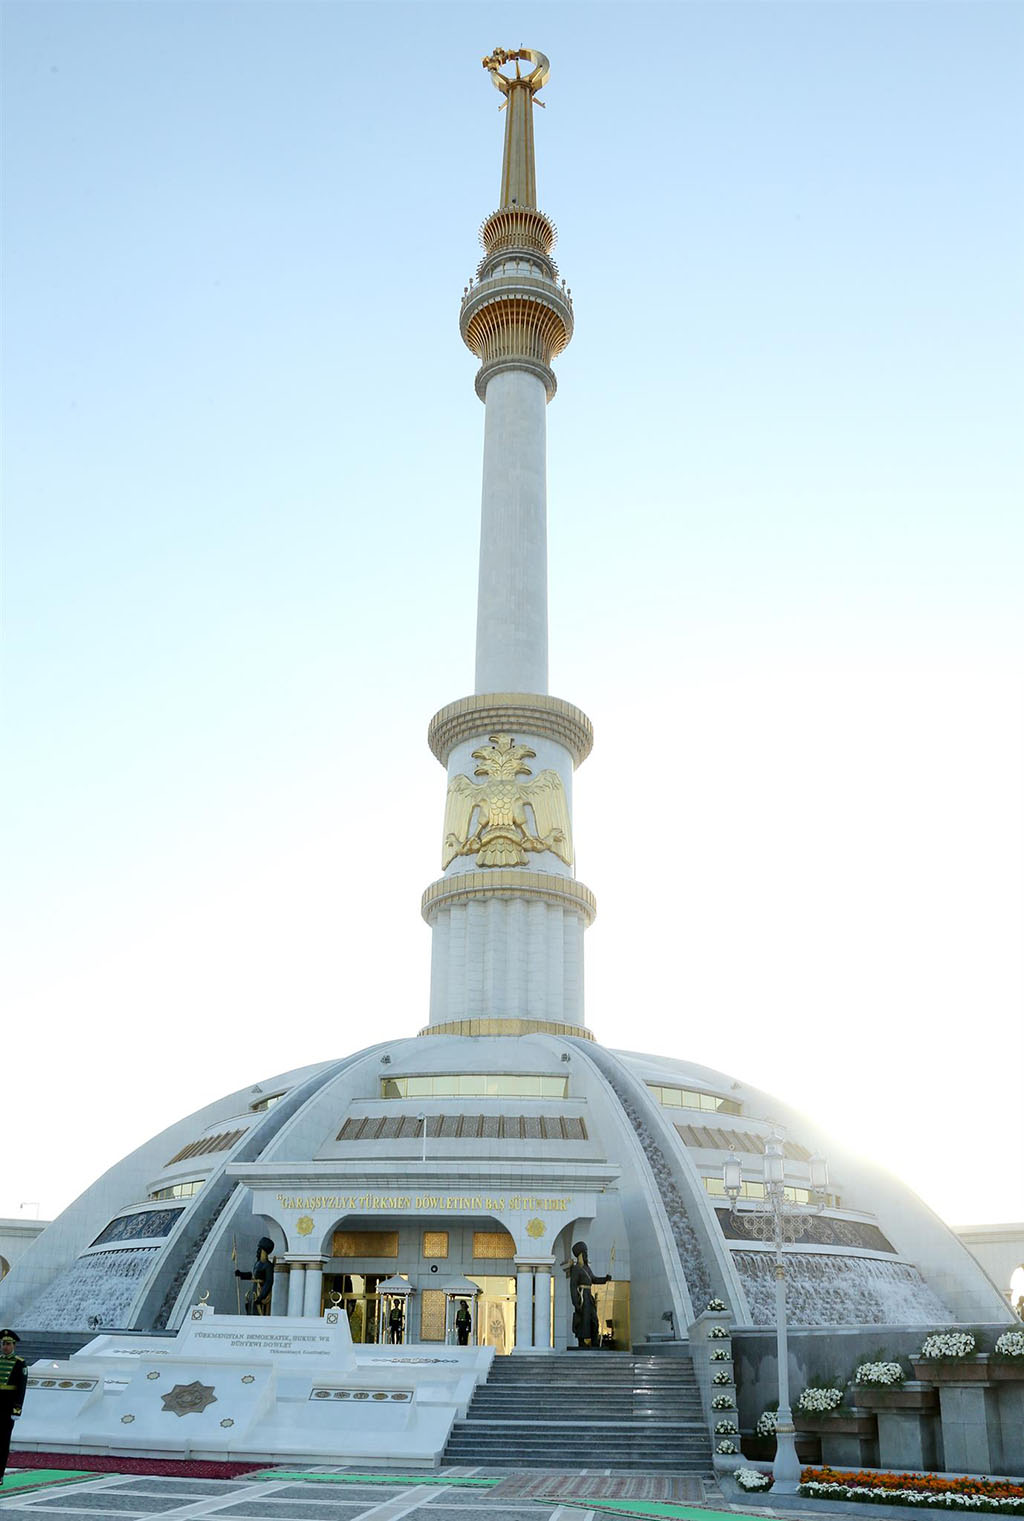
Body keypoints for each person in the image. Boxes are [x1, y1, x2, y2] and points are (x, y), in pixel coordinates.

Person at [569, 1241, 611, 1348]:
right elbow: (573, 1287)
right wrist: (575, 1303)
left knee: (594, 1319)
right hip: (582, 1298)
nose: (586, 1255)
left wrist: (605, 1279)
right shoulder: (576, 1269)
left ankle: (594, 1340)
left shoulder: (587, 1268)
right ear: (580, 1255)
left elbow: (594, 1279)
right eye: (585, 1253)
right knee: (582, 1320)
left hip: (589, 1297)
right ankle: (581, 1341)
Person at [0, 1329, 27, 1486]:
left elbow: (21, 1389)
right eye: (3, 1344)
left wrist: (17, 1408)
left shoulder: (19, 1363)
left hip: (8, 1406)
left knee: (3, 1441)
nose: (5, 1347)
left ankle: (0, 1474)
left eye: (8, 1344)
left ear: (14, 1345)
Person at [234, 1237, 274, 1315]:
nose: (257, 1251)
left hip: (261, 1292)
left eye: (259, 1250)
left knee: (258, 1311)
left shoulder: (268, 1265)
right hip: (254, 1290)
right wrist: (241, 1274)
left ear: (263, 1252)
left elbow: (269, 1281)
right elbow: (253, 1276)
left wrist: (261, 1296)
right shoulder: (258, 1263)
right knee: (250, 1309)